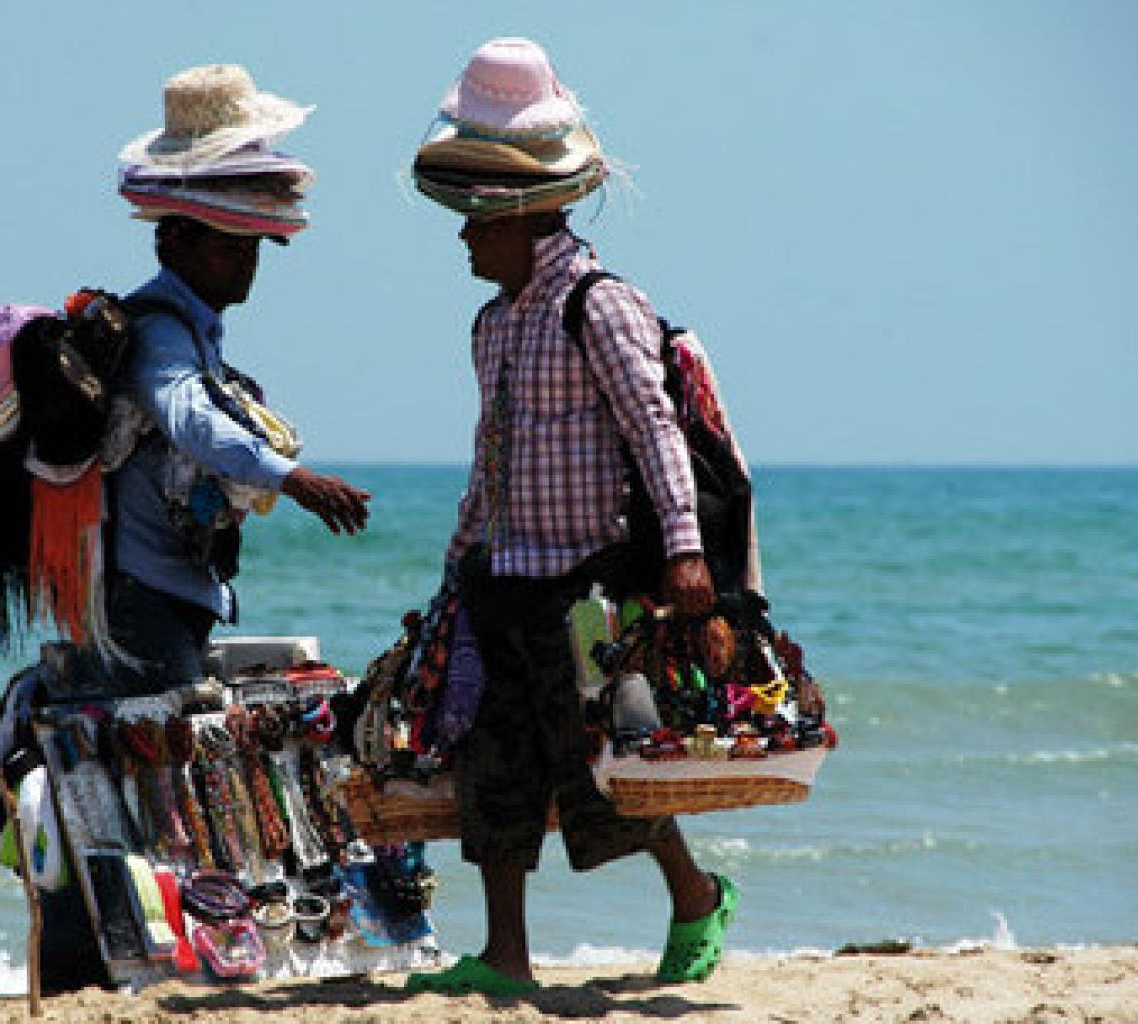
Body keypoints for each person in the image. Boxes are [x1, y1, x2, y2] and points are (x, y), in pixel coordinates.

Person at [403, 38, 753, 995]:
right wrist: (458, 568)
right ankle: (506, 957)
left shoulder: (599, 305)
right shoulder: (493, 323)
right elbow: (490, 460)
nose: (464, 239)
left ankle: (696, 896)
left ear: (519, 214)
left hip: (588, 586)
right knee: (496, 768)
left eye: (475, 222)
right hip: (505, 579)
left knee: (601, 765)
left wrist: (685, 553)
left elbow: (654, 429)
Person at [104, 63, 372, 691]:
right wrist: (293, 479)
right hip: (144, 595)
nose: (248, 264)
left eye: (253, 247)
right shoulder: (160, 332)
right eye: (231, 246)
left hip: (170, 590)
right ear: (173, 242)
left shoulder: (194, 329)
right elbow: (190, 419)